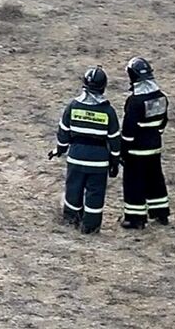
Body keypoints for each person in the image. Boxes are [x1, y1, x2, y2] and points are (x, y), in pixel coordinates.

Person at [53, 65, 122, 235]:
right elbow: (114, 140)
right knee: (95, 194)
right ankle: (90, 227)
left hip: (76, 158)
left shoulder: (73, 106)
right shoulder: (108, 112)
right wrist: (114, 163)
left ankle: (71, 220)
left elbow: (64, 133)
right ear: (103, 86)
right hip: (99, 162)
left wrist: (60, 149)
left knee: (73, 190)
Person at [120, 57, 171, 228]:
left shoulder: (134, 102)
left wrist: (122, 151)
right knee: (155, 179)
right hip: (155, 148)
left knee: (134, 183)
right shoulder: (162, 97)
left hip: (136, 152)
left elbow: (128, 131)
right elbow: (163, 122)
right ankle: (161, 213)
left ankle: (135, 219)